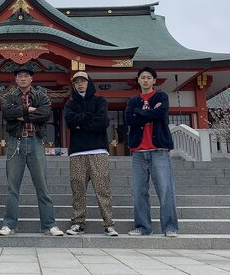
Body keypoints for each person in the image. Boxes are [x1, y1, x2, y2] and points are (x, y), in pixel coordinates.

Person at [0, 66, 64, 236]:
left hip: (36, 141)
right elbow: (6, 112)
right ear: (16, 79)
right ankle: (9, 225)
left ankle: (49, 224)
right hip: (15, 142)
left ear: (31, 79)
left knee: (42, 186)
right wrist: (28, 110)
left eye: (26, 76)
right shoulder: (9, 96)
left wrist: (19, 115)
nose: (23, 78)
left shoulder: (41, 96)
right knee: (13, 187)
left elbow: (44, 114)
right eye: (20, 76)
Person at [125, 66, 179, 237]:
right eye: (143, 77)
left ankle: (170, 227)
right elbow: (128, 119)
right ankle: (143, 227)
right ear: (138, 80)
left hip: (159, 150)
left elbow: (160, 113)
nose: (146, 80)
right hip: (139, 152)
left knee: (165, 189)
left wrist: (139, 114)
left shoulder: (161, 96)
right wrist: (149, 112)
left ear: (154, 80)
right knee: (138, 191)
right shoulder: (133, 100)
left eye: (149, 77)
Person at [64, 71, 118, 236]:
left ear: (89, 83)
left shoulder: (99, 101)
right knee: (78, 188)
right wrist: (87, 119)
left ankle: (109, 224)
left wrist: (81, 123)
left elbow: (102, 123)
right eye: (77, 82)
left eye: (83, 81)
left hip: (98, 151)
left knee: (102, 188)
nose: (80, 84)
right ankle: (78, 223)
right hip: (77, 152)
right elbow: (70, 122)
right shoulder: (70, 104)